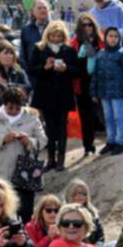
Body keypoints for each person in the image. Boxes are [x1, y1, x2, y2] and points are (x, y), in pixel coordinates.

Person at [28, 20, 76, 172]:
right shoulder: (39, 48)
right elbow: (31, 69)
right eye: (53, 35)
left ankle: (61, 159)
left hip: (63, 94)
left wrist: (66, 68)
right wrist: (45, 67)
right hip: (45, 94)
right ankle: (51, 159)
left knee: (62, 126)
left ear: (64, 36)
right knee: (49, 126)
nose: (56, 38)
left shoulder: (69, 50)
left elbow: (77, 70)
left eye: (59, 35)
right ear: (47, 34)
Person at [0, 88, 47, 216]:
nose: (14, 111)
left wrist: (28, 141)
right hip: (1, 174)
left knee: (25, 213)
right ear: (4, 104)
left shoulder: (32, 117)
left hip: (25, 175)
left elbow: (43, 141)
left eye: (17, 108)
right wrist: (2, 140)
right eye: (10, 108)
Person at [90, 26, 123, 156]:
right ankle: (111, 141)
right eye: (110, 36)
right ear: (105, 37)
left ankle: (120, 142)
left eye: (115, 36)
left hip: (118, 93)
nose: (113, 39)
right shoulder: (101, 54)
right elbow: (95, 74)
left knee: (119, 117)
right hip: (104, 93)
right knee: (108, 117)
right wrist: (93, 92)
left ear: (119, 38)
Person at [69, 13, 101, 157]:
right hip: (82, 84)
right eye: (84, 25)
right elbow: (73, 64)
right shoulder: (75, 43)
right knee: (86, 116)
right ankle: (89, 146)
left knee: (113, 111)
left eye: (90, 24)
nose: (87, 27)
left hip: (101, 82)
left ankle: (116, 140)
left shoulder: (100, 40)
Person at [19, 0, 49, 75]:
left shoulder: (55, 28)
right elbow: (23, 54)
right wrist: (27, 71)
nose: (43, 10)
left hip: (52, 76)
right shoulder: (26, 29)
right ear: (33, 11)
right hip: (33, 75)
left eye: (45, 8)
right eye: (39, 8)